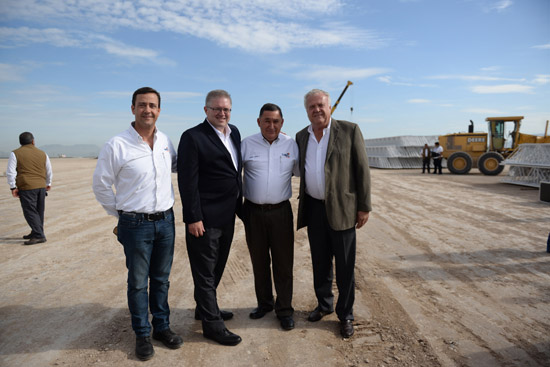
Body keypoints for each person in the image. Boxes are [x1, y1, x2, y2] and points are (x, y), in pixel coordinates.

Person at [92, 87, 182, 361]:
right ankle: (142, 333)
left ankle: (162, 327)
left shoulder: (166, 140)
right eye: (142, 105)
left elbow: (177, 166)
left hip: (166, 221)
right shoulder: (117, 145)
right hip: (135, 224)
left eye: (153, 105)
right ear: (132, 108)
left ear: (159, 110)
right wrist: (120, 216)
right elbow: (101, 185)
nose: (148, 110)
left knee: (162, 280)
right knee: (138, 282)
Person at [295, 89, 372, 339]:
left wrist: (364, 206)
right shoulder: (301, 136)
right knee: (320, 261)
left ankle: (346, 314)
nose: (316, 110)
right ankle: (324, 304)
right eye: (311, 107)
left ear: (329, 106)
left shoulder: (349, 131)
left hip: (342, 209)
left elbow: (362, 170)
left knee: (345, 265)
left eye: (320, 105)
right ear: (306, 111)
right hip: (315, 208)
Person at [177, 89, 243, 346]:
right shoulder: (193, 137)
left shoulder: (234, 132)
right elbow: (187, 181)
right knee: (204, 272)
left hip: (227, 216)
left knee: (218, 266)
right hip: (203, 219)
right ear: (206, 110)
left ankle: (204, 308)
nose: (222, 113)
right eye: (217, 109)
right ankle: (212, 325)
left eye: (226, 109)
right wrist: (193, 217)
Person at [241, 103, 299, 331]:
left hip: (281, 212)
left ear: (282, 123)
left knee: (284, 263)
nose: (271, 125)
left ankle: (284, 310)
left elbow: (301, 171)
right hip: (253, 212)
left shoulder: (291, 145)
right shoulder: (246, 144)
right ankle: (264, 303)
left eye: (276, 121)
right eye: (267, 120)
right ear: (258, 122)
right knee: (259, 261)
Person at [6, 132, 52, 245]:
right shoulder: (42, 153)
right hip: (41, 186)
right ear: (33, 141)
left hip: (27, 186)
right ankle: (36, 231)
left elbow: (11, 172)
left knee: (30, 211)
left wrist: (13, 187)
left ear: (20, 142)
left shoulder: (15, 153)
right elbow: (48, 169)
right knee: (39, 211)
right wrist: (48, 183)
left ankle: (39, 235)